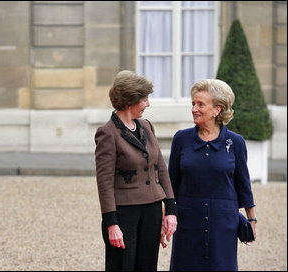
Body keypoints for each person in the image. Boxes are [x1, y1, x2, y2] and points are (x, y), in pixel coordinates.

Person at [168, 79, 257, 271]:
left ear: (217, 110)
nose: (194, 109)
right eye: (193, 103)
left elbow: (243, 183)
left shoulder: (236, 142)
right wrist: (167, 215)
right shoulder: (181, 139)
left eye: (201, 104)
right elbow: (171, 184)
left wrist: (251, 219)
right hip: (188, 220)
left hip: (223, 222)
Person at [94, 70, 178, 271]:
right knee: (122, 266)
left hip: (152, 209)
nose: (148, 104)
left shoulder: (146, 126)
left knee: (147, 266)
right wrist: (111, 223)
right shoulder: (107, 133)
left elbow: (161, 169)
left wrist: (171, 208)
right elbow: (104, 182)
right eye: (144, 99)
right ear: (129, 99)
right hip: (124, 213)